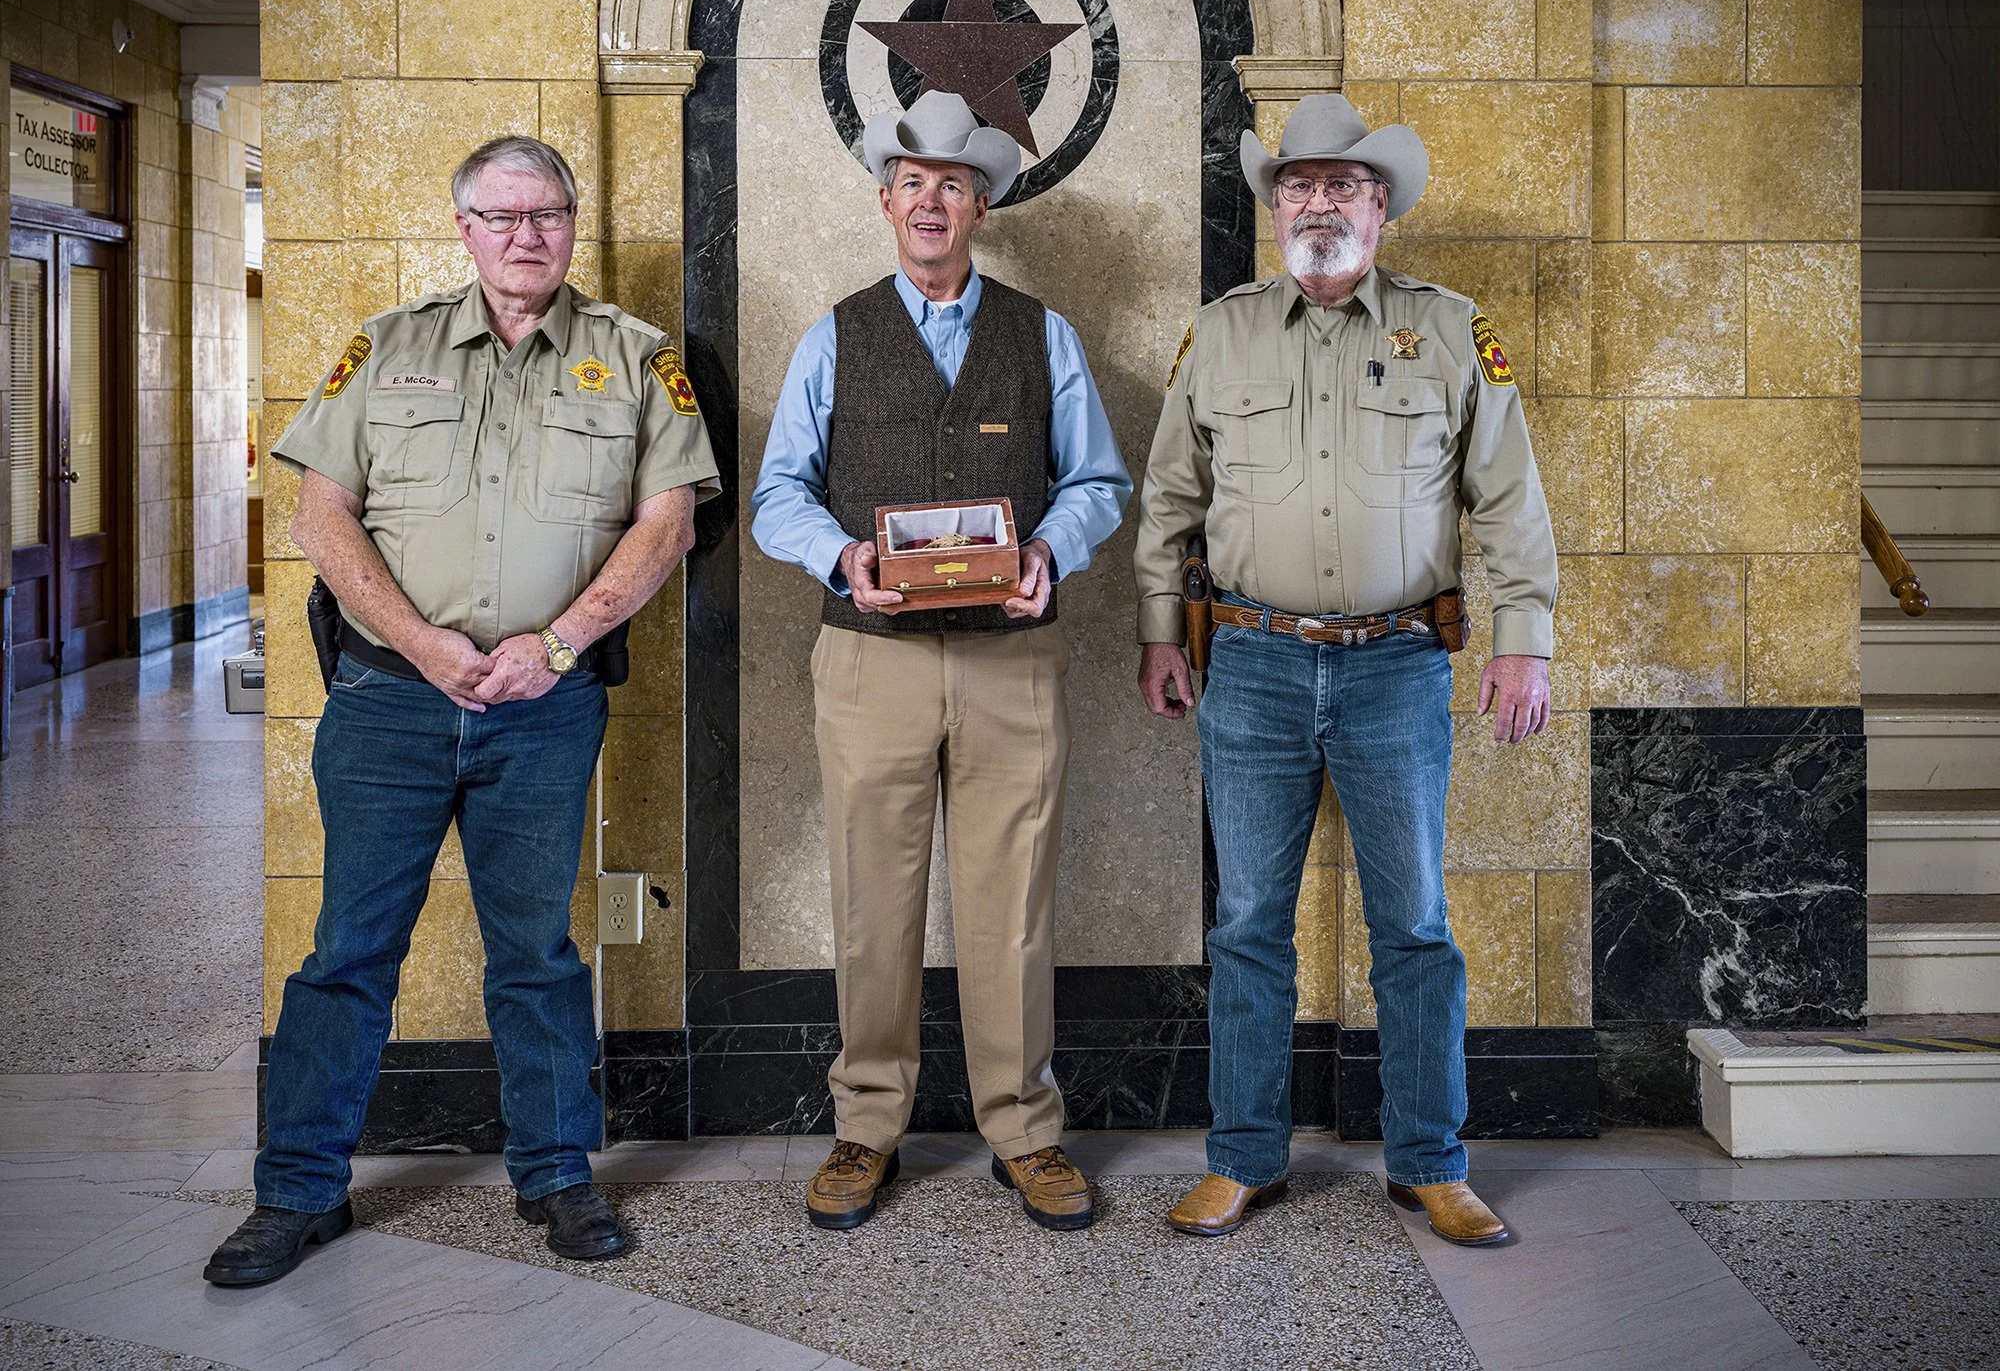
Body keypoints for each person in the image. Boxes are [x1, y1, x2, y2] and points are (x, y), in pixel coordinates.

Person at [205, 136, 720, 1285]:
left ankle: (556, 1176)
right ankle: (296, 1190)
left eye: (546, 213)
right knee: (346, 949)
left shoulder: (635, 359)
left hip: (544, 708)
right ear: (464, 228)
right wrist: (422, 640)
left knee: (533, 952)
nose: (525, 233)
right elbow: (322, 517)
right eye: (501, 215)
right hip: (388, 703)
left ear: (573, 224)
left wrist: (556, 642)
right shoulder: (383, 351)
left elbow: (668, 520)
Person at [1132, 93, 1557, 1247]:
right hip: (1253, 664)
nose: (1316, 202)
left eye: (1340, 184)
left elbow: (1508, 501)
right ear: (1276, 208)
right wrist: (1161, 627)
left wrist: (1522, 642)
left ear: (1379, 205)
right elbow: (1171, 495)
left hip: (1397, 667)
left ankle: (1429, 1160)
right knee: (1247, 923)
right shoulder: (1218, 333)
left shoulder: (1451, 330)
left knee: (1413, 925)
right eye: (1296, 185)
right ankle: (1242, 1159)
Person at [751, 90, 1131, 1233]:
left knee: (1011, 899)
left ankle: (1024, 1127)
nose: (929, 198)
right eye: (910, 179)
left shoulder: (1043, 333)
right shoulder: (834, 331)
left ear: (979, 204)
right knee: (872, 897)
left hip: (1013, 658)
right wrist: (842, 560)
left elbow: (1097, 485)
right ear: (885, 200)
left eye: (951, 182)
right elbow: (778, 494)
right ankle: (866, 1125)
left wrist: (1050, 556)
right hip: (870, 659)